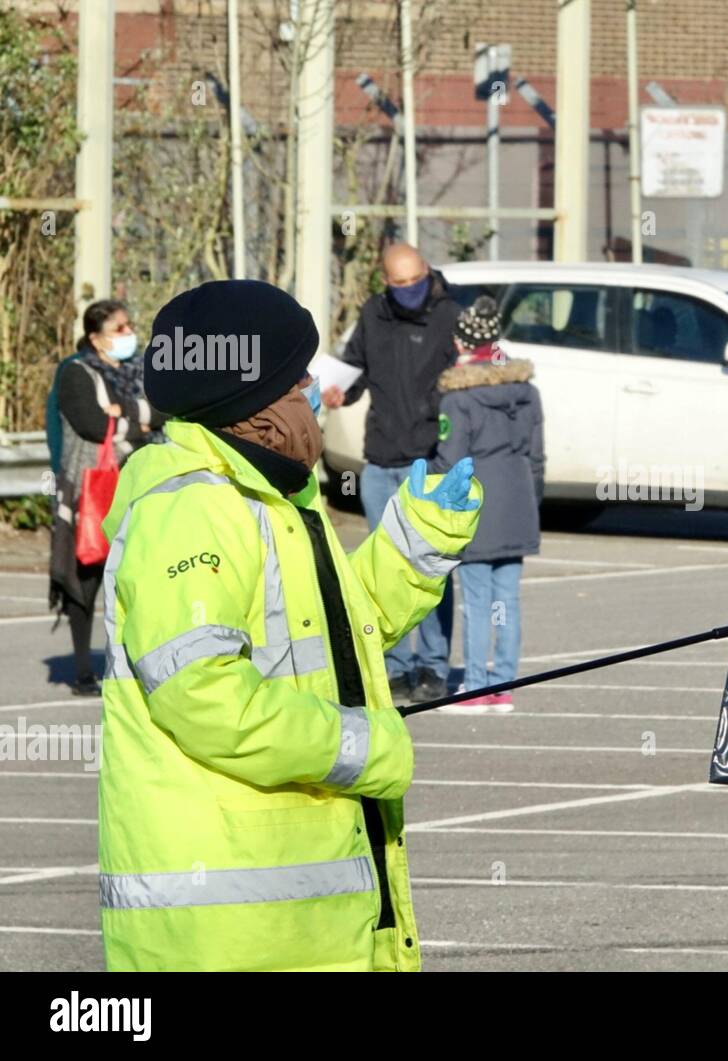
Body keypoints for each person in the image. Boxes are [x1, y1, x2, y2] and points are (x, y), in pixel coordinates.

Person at [98, 280, 481, 971]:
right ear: (252, 402)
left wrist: (418, 539)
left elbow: (338, 638)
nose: (313, 389)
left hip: (306, 916)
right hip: (235, 932)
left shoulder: (272, 496)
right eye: (297, 377)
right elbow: (203, 694)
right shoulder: (193, 507)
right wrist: (360, 745)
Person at [323, 242, 460, 705]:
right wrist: (340, 391)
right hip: (380, 457)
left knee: (431, 566)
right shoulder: (373, 315)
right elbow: (355, 369)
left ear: (426, 272)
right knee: (386, 568)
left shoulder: (449, 316)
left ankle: (434, 666)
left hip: (429, 457)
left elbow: (468, 377)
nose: (407, 291)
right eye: (397, 284)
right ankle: (396, 666)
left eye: (414, 281)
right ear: (386, 281)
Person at [432, 296, 544, 715]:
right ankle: (505, 686)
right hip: (517, 501)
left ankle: (475, 686)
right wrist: (532, 505)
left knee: (477, 601)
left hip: (478, 505)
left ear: (462, 344)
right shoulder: (527, 391)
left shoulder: (458, 398)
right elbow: (537, 458)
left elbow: (451, 462)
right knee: (506, 601)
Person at [48, 300, 163, 696]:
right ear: (96, 338)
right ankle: (82, 669)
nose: (129, 333)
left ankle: (137, 662)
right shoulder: (76, 373)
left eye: (129, 325)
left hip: (139, 484)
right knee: (87, 575)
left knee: (141, 577)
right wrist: (141, 423)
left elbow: (164, 411)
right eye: (119, 328)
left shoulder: (139, 371)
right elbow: (94, 425)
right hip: (90, 488)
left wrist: (127, 413)